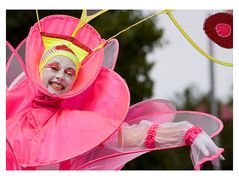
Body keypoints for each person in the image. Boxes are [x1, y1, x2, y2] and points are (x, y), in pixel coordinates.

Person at [6, 13, 224, 170]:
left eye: (69, 72)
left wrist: (185, 132)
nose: (61, 76)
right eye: (54, 68)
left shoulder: (79, 123)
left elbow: (130, 136)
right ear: (39, 68)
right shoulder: (9, 110)